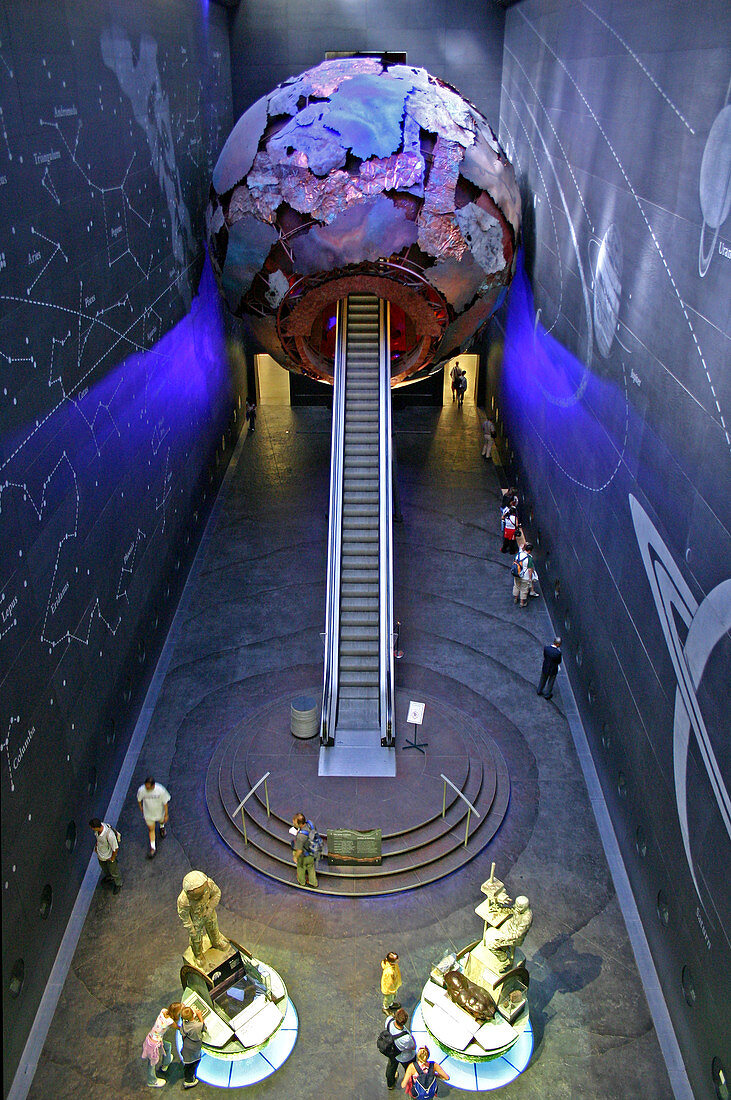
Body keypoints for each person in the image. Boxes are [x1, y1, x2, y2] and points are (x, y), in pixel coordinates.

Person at [177, 871, 229, 967]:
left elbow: (217, 893)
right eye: (196, 897)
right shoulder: (183, 900)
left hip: (208, 913)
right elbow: (184, 916)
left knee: (213, 927)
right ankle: (198, 955)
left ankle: (216, 941)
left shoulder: (209, 884)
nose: (199, 898)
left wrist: (210, 907)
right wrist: (190, 928)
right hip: (195, 920)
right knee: (196, 939)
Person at [141, 1002, 181, 1088]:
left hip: (152, 1037)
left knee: (168, 1046)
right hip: (154, 1044)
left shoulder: (163, 1011)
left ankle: (166, 1063)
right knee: (152, 1063)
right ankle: (152, 1081)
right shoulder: (169, 1021)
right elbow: (178, 1027)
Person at [137, 776, 170, 859]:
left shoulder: (160, 790)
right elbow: (139, 800)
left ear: (153, 785)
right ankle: (153, 848)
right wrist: (141, 808)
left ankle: (162, 827)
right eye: (146, 786)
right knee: (151, 829)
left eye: (148, 787)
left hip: (159, 813)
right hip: (149, 814)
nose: (147, 789)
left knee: (161, 821)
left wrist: (166, 814)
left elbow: (165, 803)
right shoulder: (142, 790)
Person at [385, 1007, 416, 1091]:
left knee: (391, 1068)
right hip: (405, 1057)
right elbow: (412, 1047)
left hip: (393, 1052)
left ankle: (390, 1084)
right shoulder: (406, 1038)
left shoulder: (389, 1021)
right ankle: (412, 1086)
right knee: (410, 1069)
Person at [89, 818, 121, 894]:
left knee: (114, 871)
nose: (92, 829)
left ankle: (118, 884)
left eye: (92, 828)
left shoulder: (109, 835)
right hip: (101, 855)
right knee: (105, 868)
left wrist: (112, 858)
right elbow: (98, 839)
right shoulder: (98, 830)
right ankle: (109, 877)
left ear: (96, 827)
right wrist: (97, 848)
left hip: (108, 856)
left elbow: (115, 848)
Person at [179, 1004, 205, 1089]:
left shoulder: (183, 1024)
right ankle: (189, 1081)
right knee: (192, 1065)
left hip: (186, 1048)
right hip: (194, 1049)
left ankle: (188, 1075)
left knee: (188, 1064)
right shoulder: (197, 1026)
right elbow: (203, 1026)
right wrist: (200, 1016)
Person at [291, 812, 318, 888]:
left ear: (299, 824)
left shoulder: (300, 837)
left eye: (294, 823)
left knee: (301, 868)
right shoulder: (311, 825)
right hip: (312, 852)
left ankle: (302, 882)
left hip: (304, 856)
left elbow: (299, 850)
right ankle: (313, 882)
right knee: (311, 868)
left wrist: (295, 857)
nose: (293, 824)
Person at [512, 542, 534, 608]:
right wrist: (530, 578)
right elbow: (530, 569)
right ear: (530, 551)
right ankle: (522, 603)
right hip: (525, 576)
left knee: (516, 586)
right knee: (524, 589)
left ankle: (515, 598)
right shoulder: (529, 558)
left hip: (517, 574)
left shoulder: (518, 554)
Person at [381, 950, 402, 1015]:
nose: (398, 960)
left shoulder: (393, 965)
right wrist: (392, 991)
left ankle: (391, 1004)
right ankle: (386, 1007)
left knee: (392, 997)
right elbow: (388, 984)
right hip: (389, 990)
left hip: (394, 987)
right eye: (396, 960)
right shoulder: (389, 972)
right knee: (388, 999)